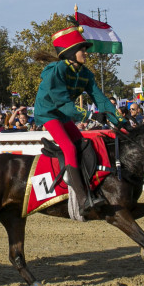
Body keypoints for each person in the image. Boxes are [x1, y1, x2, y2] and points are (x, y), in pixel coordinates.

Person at [33, 25, 122, 217]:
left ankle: (90, 187)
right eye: (82, 49)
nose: (86, 53)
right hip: (49, 112)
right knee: (70, 148)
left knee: (82, 144)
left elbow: (101, 100)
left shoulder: (85, 73)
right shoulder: (55, 71)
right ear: (71, 52)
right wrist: (89, 116)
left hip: (63, 113)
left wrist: (120, 120)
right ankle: (82, 199)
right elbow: (63, 102)